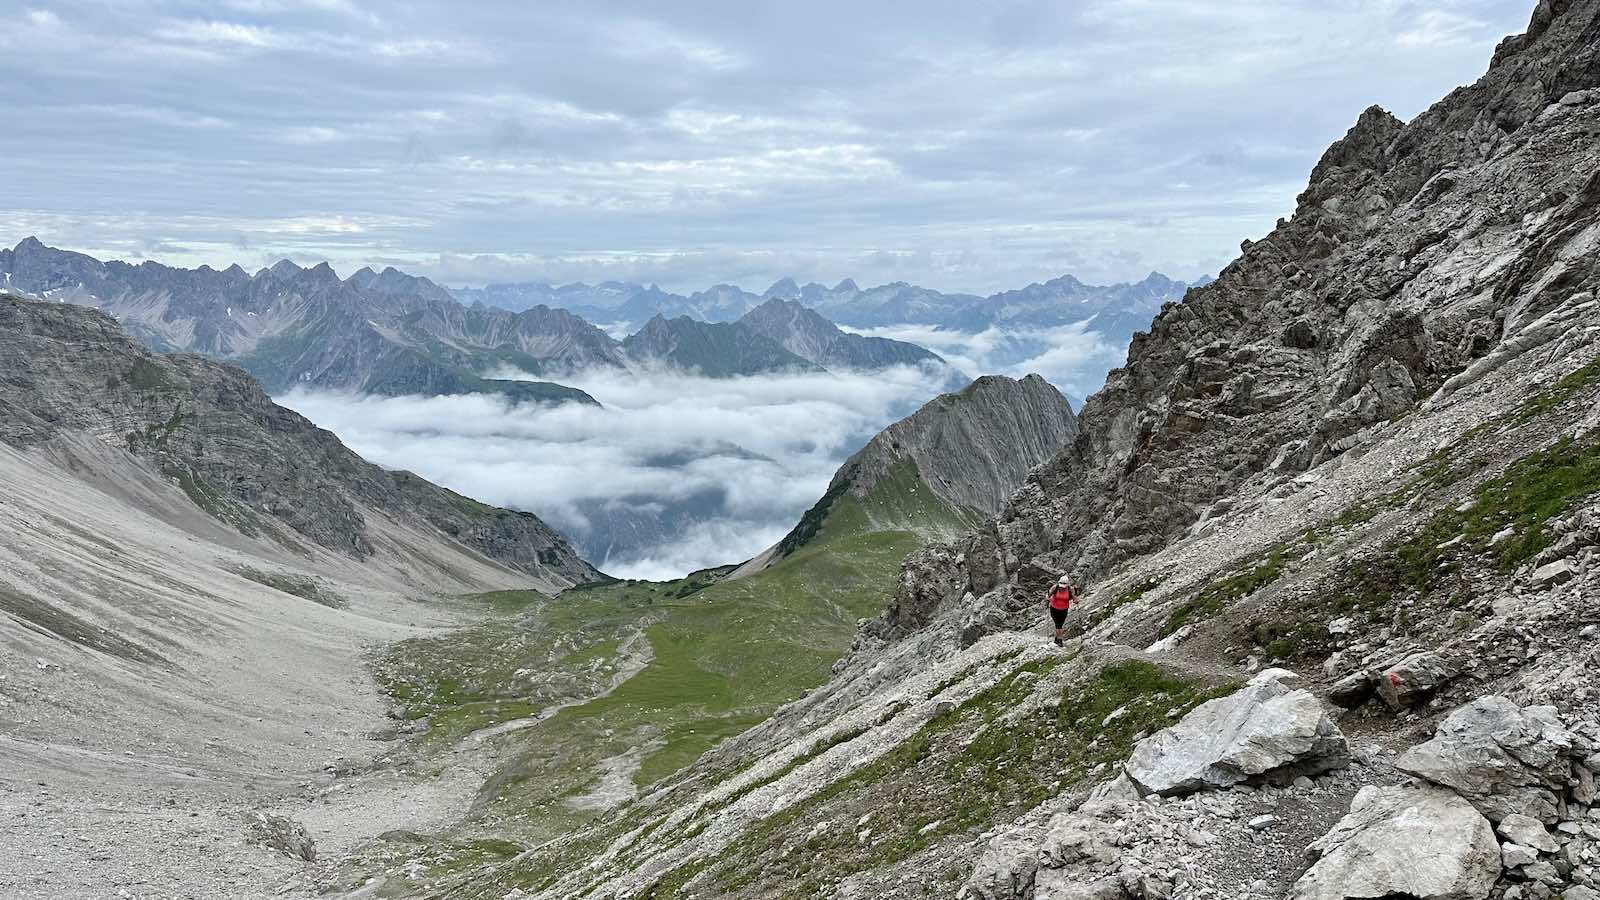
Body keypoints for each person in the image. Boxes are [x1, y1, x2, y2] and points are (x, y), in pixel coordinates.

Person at [1047, 576, 1076, 646]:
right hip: (1054, 608)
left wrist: (1076, 600)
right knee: (1058, 624)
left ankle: (1056, 639)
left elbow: (1074, 597)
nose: (1062, 587)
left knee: (1060, 624)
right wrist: (1048, 599)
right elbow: (1048, 595)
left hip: (1064, 609)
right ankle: (1060, 640)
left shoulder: (1070, 589)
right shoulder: (1055, 587)